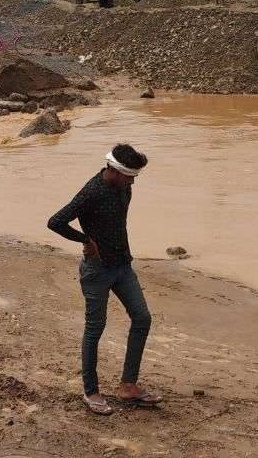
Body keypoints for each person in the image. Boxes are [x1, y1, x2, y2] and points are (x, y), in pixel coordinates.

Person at [47, 144, 159, 416]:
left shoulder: (124, 188)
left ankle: (128, 385)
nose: (133, 181)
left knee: (142, 318)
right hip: (97, 271)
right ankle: (91, 391)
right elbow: (56, 221)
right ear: (115, 170)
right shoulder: (93, 191)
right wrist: (85, 240)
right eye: (130, 175)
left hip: (123, 266)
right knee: (95, 328)